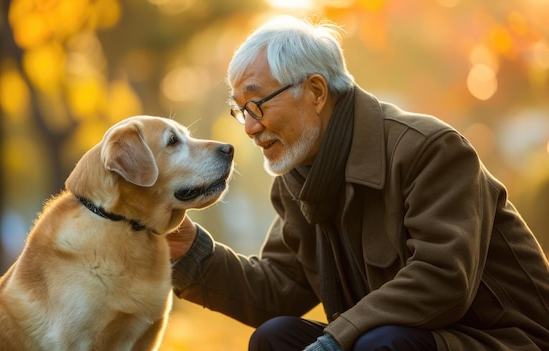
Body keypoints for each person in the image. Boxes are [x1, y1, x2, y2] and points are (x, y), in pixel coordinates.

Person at [166, 15, 549, 351]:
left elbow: (443, 277)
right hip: (389, 338)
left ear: (316, 92)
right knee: (276, 336)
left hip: (503, 339)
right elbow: (278, 290)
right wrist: (190, 251)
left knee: (380, 343)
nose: (249, 127)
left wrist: (339, 336)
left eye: (258, 104)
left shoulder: (430, 150)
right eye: (240, 110)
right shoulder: (298, 174)